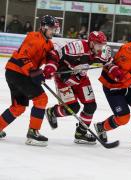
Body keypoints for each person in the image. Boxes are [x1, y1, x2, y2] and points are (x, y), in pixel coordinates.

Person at [0, 15, 59, 146]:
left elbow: (51, 57)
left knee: (19, 107)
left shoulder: (48, 43)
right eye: (52, 29)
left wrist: (50, 68)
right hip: (18, 73)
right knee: (41, 99)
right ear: (43, 28)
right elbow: (22, 57)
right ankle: (33, 133)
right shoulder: (33, 37)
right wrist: (33, 72)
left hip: (16, 73)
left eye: (55, 29)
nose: (54, 32)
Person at [43, 31, 112, 144]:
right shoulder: (77, 47)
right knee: (72, 108)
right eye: (99, 45)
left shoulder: (101, 51)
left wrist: (117, 70)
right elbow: (55, 54)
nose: (101, 48)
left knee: (91, 106)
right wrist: (51, 66)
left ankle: (81, 133)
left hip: (81, 78)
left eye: (102, 45)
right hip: (64, 77)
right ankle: (52, 112)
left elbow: (109, 63)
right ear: (91, 43)